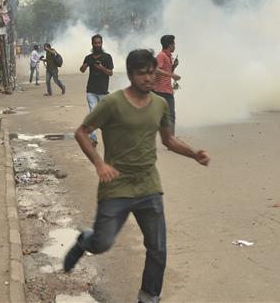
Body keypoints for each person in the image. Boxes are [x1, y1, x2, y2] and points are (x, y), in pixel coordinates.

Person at [63, 49, 210, 303]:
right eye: (142, 74)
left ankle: (148, 296)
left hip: (149, 187)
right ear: (131, 75)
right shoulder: (112, 103)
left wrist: (194, 154)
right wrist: (99, 164)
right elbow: (81, 132)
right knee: (102, 243)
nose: (148, 78)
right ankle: (85, 240)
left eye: (151, 72)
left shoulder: (160, 104)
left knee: (158, 248)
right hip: (116, 187)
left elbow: (169, 139)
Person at [79, 34, 114, 147]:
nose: (97, 45)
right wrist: (84, 66)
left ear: (102, 43)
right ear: (92, 44)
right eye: (95, 43)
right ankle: (93, 138)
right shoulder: (88, 58)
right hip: (91, 91)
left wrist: (102, 68)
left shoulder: (107, 57)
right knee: (93, 114)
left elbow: (110, 73)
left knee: (105, 117)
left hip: (103, 92)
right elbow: (82, 70)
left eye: (99, 43)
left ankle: (110, 137)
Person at [153, 35, 181, 133]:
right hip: (161, 90)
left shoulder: (168, 57)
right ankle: (170, 138)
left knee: (168, 115)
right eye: (173, 44)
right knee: (170, 116)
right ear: (170, 45)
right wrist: (172, 75)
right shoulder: (161, 56)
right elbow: (156, 70)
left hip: (166, 90)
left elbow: (165, 72)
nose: (174, 46)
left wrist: (174, 66)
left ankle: (169, 136)